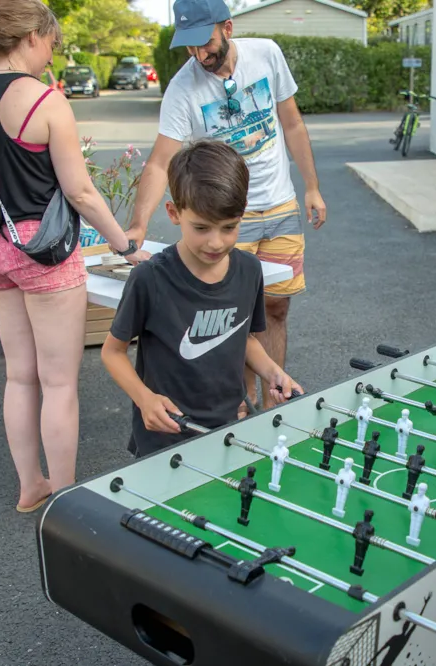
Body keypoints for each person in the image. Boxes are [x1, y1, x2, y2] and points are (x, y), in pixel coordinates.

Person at [0, 0, 146, 513]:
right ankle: (64, 497)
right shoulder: (45, 102)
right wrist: (125, 245)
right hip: (43, 251)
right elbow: (80, 192)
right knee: (59, 381)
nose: (51, 56)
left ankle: (30, 486)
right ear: (32, 36)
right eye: (51, 44)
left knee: (19, 374)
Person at [124, 0, 326, 414]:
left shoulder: (266, 54)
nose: (200, 55)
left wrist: (312, 187)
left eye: (206, 42)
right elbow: (161, 161)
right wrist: (137, 225)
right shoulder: (183, 88)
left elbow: (292, 123)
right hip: (228, 216)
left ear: (228, 28)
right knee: (231, 316)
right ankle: (237, 405)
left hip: (281, 205)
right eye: (190, 47)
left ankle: (272, 404)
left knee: (277, 306)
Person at [100, 140, 302, 458]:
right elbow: (112, 353)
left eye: (229, 227)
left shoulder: (249, 270)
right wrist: (144, 399)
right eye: (201, 227)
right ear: (174, 212)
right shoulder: (149, 279)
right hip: (164, 436)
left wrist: (272, 372)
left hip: (227, 429)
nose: (216, 242)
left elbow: (243, 338)